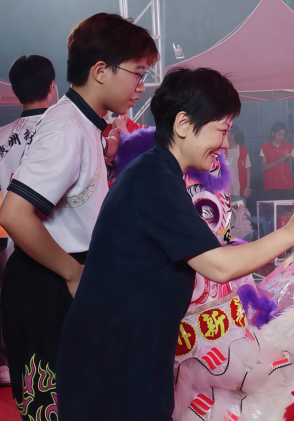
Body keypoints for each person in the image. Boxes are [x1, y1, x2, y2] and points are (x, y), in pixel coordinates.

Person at [55, 67, 294, 421]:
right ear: (184, 124)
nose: (226, 144)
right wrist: (292, 232)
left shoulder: (158, 173)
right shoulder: (153, 180)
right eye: (222, 130)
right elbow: (219, 265)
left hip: (130, 354)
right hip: (113, 363)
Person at [0, 13, 158, 419]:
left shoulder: (87, 123)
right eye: (138, 73)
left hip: (68, 274)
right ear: (101, 71)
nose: (141, 86)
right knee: (56, 406)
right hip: (49, 280)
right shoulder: (65, 127)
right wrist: (73, 274)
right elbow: (15, 214)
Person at [0, 55, 56, 388]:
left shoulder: (1, 136)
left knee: (27, 336)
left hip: (16, 249)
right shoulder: (63, 128)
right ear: (52, 87)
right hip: (61, 249)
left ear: (16, 91)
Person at [260, 122, 294, 200]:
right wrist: (278, 161)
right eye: (279, 134)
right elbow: (264, 167)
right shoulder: (265, 148)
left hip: (286, 185)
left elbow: (290, 168)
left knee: (287, 207)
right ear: (273, 133)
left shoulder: (289, 147)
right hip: (272, 185)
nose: (281, 137)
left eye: (283, 135)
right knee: (273, 206)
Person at [226, 127, 251, 204]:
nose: (224, 134)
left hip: (239, 192)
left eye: (227, 132)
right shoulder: (221, 151)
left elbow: (247, 170)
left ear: (233, 135)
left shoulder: (243, 151)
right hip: (225, 192)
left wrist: (247, 186)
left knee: (240, 211)